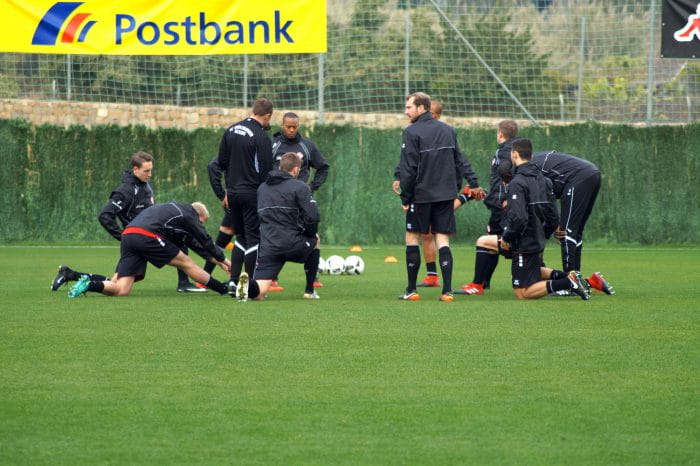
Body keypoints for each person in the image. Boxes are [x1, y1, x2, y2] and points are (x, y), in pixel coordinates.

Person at [50, 151, 201, 293]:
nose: (150, 174)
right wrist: (123, 236)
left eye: (151, 170)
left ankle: (70, 274)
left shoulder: (143, 185)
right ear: (135, 169)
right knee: (119, 287)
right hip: (139, 239)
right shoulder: (126, 190)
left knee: (117, 283)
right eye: (146, 171)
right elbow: (105, 215)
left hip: (146, 236)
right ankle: (185, 283)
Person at [392, 99, 484, 292]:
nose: (405, 111)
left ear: (421, 108)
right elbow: (459, 159)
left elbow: (410, 167)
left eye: (408, 107)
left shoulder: (411, 132)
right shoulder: (448, 130)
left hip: (421, 196)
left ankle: (411, 291)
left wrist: (405, 197)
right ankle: (447, 291)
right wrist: (473, 182)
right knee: (442, 239)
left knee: (412, 237)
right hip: (445, 195)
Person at [65, 202, 232, 298]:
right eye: (201, 222)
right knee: (187, 263)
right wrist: (224, 260)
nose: (199, 226)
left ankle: (88, 284)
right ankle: (222, 289)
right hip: (146, 236)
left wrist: (217, 261)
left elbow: (198, 245)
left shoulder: (174, 214)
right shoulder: (189, 214)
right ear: (198, 215)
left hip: (128, 236)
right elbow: (205, 240)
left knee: (121, 289)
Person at [499, 138, 591, 300]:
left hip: (525, 244)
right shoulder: (546, 181)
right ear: (531, 156)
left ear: (514, 154)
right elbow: (553, 217)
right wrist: (543, 236)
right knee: (534, 272)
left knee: (522, 292)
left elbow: (519, 218)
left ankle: (568, 282)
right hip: (538, 241)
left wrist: (507, 237)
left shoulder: (517, 183)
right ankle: (582, 280)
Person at [234, 153, 321, 302]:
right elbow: (312, 216)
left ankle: (247, 287)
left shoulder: (262, 188)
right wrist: (309, 234)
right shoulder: (300, 186)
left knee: (259, 293)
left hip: (269, 247)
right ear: (295, 170)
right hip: (293, 244)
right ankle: (309, 291)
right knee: (316, 240)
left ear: (280, 167)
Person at [269, 111, 329, 291]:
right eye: (288, 126)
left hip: (300, 202)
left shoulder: (307, 146)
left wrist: (311, 187)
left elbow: (323, 168)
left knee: (313, 237)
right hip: (278, 200)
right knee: (274, 236)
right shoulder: (273, 145)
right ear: (282, 125)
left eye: (295, 127)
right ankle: (272, 278)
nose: (292, 130)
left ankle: (312, 280)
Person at [217, 98, 274, 287]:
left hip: (232, 193)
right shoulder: (261, 136)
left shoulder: (231, 130)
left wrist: (226, 189)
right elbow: (266, 171)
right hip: (251, 193)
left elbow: (222, 163)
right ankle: (249, 284)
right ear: (267, 116)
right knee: (254, 239)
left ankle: (233, 282)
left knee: (240, 237)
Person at [532, 149, 602, 274]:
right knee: (575, 232)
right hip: (593, 173)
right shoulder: (538, 160)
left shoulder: (530, 169)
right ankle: (577, 279)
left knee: (566, 233)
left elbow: (547, 197)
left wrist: (555, 224)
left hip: (579, 177)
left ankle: (570, 284)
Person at [194, 156, 244, 288]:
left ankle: (204, 278)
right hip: (247, 200)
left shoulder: (235, 146)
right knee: (251, 238)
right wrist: (222, 194)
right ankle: (261, 280)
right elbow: (213, 166)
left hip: (237, 199)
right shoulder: (246, 146)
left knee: (226, 235)